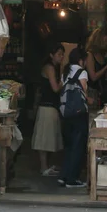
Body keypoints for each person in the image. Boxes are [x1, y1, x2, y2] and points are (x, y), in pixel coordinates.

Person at [31, 43, 65, 176]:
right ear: (51, 55)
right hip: (47, 107)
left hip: (51, 107)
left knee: (49, 138)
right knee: (44, 139)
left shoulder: (54, 67)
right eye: (59, 54)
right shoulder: (50, 68)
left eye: (63, 54)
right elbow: (55, 88)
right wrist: (63, 81)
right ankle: (43, 167)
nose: (61, 57)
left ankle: (46, 166)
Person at [59, 47, 89, 188]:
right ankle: (72, 179)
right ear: (81, 59)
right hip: (79, 113)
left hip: (66, 112)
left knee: (69, 145)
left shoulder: (65, 72)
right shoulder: (82, 72)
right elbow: (83, 92)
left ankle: (64, 175)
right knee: (78, 145)